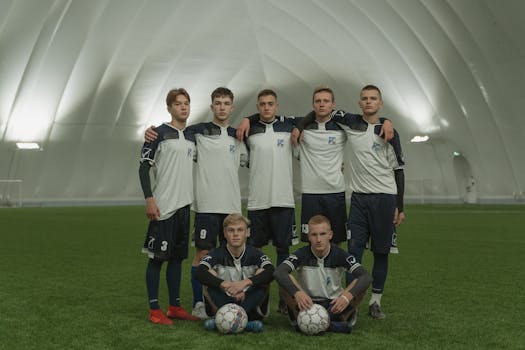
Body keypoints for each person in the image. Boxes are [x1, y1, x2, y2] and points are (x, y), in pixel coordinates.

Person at [237, 87, 393, 246]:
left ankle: (333, 270)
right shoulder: (297, 123)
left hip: (335, 192)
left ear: (333, 105)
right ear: (313, 105)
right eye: (318, 101)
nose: (322, 104)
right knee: (311, 242)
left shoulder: (342, 126)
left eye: (326, 101)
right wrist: (247, 119)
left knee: (335, 241)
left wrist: (387, 121)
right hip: (310, 194)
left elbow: (368, 119)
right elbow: (268, 116)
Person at [144, 87, 247, 319]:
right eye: (217, 103)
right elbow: (170, 131)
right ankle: (198, 303)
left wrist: (248, 123)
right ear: (211, 107)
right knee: (202, 256)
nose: (222, 107)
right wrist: (149, 131)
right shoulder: (196, 133)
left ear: (232, 107)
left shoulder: (238, 136)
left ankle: (228, 301)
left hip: (231, 209)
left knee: (231, 257)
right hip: (205, 207)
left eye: (226, 103)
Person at [329, 85, 406, 320]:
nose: (369, 102)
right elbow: (326, 111)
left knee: (381, 254)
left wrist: (399, 206)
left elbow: (399, 170)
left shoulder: (389, 132)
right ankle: (350, 301)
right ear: (359, 102)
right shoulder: (350, 122)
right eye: (365, 99)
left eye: (373, 99)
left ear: (380, 103)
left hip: (384, 199)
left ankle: (375, 302)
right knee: (353, 253)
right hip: (359, 200)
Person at [138, 88, 199, 325]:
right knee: (156, 259)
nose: (183, 107)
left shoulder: (194, 135)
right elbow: (143, 168)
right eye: (178, 104)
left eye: (186, 103)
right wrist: (149, 199)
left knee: (176, 259)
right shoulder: (158, 134)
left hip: (185, 206)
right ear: (169, 108)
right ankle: (154, 310)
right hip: (164, 207)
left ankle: (174, 307)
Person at [241, 89, 298, 314]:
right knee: (255, 254)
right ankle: (257, 300)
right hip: (257, 202)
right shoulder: (248, 131)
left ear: (277, 105)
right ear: (258, 107)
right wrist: (248, 120)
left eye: (270, 104)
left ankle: (285, 301)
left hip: (283, 200)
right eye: (262, 104)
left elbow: (310, 118)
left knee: (284, 252)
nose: (266, 107)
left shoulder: (289, 126)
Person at [274, 215, 372, 333]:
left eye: (323, 234)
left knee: (360, 284)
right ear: (308, 236)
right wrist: (297, 293)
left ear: (330, 235)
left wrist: (346, 297)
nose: (318, 239)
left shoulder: (340, 255)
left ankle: (305, 323)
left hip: (333, 304)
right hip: (307, 303)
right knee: (285, 281)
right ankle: (333, 325)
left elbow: (366, 276)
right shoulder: (301, 254)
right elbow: (279, 272)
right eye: (314, 235)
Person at [195, 213, 275, 333]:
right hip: (224, 300)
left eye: (240, 230)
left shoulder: (255, 254)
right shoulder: (216, 253)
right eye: (231, 230)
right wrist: (224, 284)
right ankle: (246, 324)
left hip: (248, 301)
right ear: (225, 233)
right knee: (209, 273)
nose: (236, 234)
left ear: (247, 233)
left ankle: (226, 321)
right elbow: (199, 272)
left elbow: (271, 271)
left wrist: (244, 284)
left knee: (262, 273)